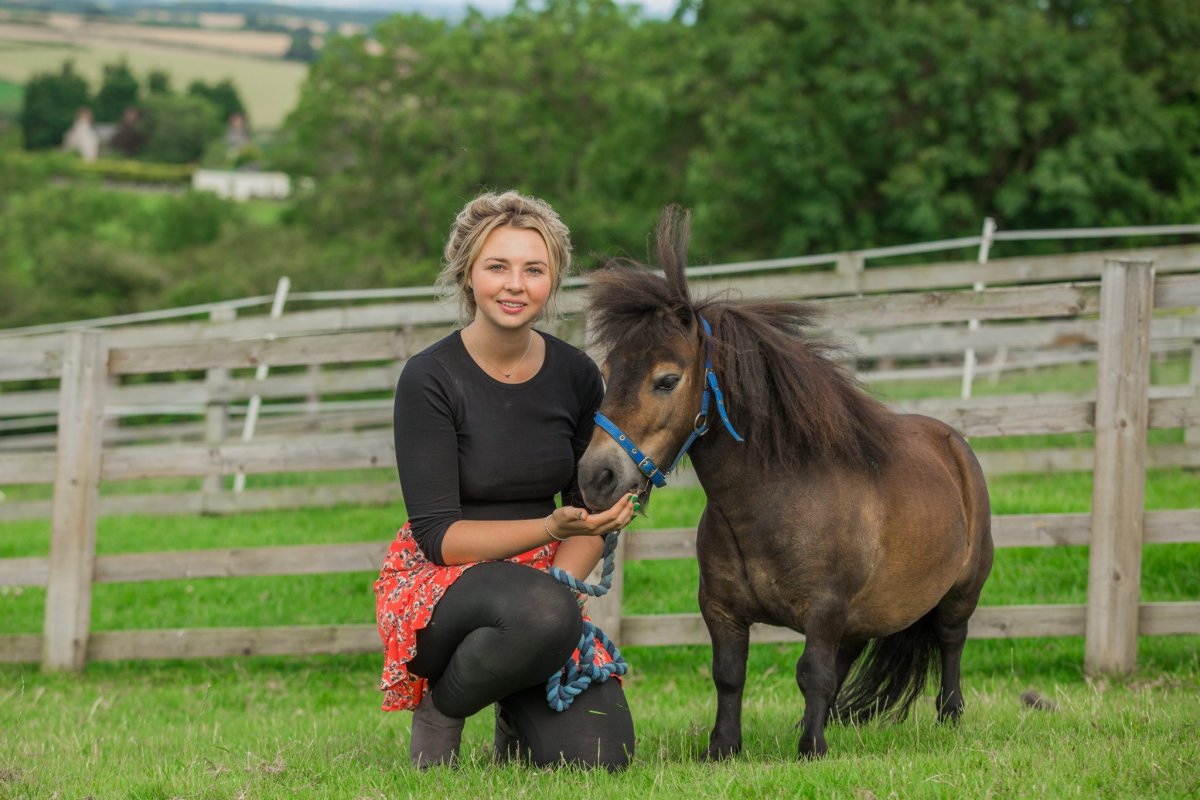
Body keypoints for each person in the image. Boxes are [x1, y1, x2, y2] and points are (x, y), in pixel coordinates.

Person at [374, 190, 638, 771]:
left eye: (533, 270)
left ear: (553, 280)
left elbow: (587, 510)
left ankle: (515, 697)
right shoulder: (430, 378)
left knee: (600, 757)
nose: (515, 284)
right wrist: (550, 532)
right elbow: (439, 537)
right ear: (468, 274)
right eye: (498, 266)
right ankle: (443, 707)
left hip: (543, 588)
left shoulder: (577, 375)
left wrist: (564, 579)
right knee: (540, 610)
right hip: (441, 584)